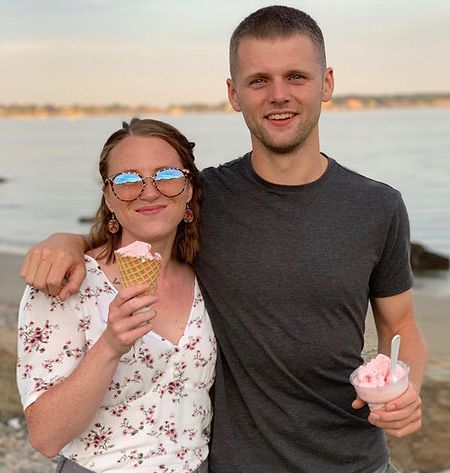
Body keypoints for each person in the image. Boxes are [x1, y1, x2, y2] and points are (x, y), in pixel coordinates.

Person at [20, 6, 427, 473]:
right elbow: (137, 221)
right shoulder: (202, 198)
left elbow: (401, 327)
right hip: (237, 462)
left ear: (326, 83)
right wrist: (67, 241)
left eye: (296, 76)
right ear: (234, 93)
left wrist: (407, 386)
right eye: (258, 81)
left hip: (355, 459)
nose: (279, 95)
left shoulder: (378, 206)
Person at [17, 118, 215, 473]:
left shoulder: (205, 276)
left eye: (167, 175)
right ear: (109, 197)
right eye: (127, 179)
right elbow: (44, 436)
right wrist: (110, 345)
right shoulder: (66, 283)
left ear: (188, 190)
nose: (149, 191)